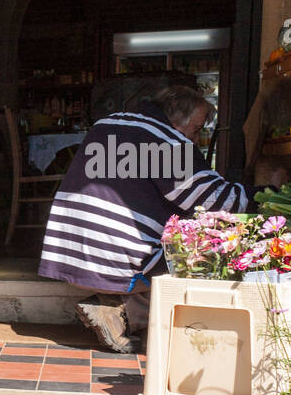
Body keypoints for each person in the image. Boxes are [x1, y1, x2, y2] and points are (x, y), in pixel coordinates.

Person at [38, 85, 249, 353]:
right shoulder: (167, 139)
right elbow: (216, 202)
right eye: (196, 129)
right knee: (206, 242)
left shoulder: (109, 123)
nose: (196, 139)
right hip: (110, 261)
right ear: (176, 120)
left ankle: (115, 305)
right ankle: (123, 311)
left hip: (67, 254)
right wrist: (265, 193)